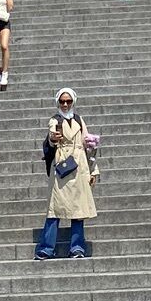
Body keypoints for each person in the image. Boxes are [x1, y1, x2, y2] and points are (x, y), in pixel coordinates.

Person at [36, 86, 95, 260]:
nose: (65, 105)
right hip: (62, 168)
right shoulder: (55, 120)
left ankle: (77, 248)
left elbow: (87, 144)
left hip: (79, 167)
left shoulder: (79, 120)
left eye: (68, 101)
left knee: (78, 211)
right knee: (54, 210)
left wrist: (93, 170)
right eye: (62, 101)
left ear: (73, 102)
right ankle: (46, 248)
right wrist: (52, 139)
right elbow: (51, 135)